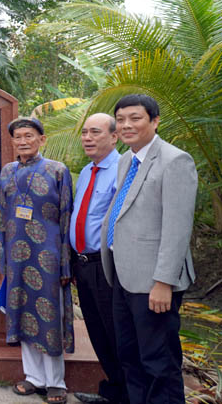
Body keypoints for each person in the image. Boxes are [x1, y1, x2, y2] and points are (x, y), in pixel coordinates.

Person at [100, 94, 197, 404]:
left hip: (154, 282)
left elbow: (177, 227)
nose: (127, 124)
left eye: (135, 118)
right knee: (130, 357)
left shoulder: (175, 160)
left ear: (155, 121)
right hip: (123, 276)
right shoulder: (127, 159)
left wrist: (163, 282)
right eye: (121, 118)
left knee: (158, 362)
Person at [0, 117, 74, 404]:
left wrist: (66, 263)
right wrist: (4, 260)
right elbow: (2, 217)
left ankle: (56, 382)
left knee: (49, 316)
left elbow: (67, 216)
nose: (23, 141)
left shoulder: (57, 170)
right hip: (17, 258)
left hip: (49, 257)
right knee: (21, 314)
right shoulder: (7, 171)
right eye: (18, 137)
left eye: (29, 136)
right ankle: (34, 378)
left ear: (42, 139)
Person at [69, 114, 128, 404]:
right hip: (81, 263)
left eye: (95, 132)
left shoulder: (123, 169)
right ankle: (113, 391)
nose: (87, 138)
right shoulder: (86, 171)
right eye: (84, 133)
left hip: (106, 264)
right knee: (97, 330)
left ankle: (128, 394)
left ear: (114, 137)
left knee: (116, 331)